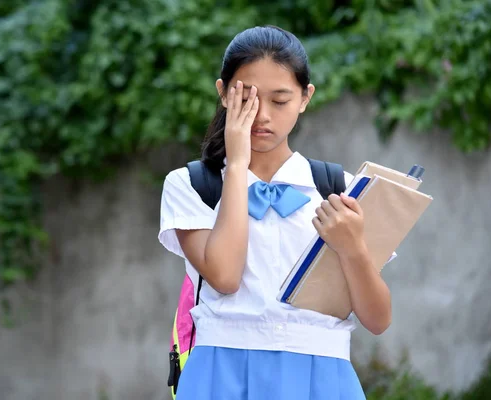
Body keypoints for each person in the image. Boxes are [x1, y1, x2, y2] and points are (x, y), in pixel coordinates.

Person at [158, 25, 393, 400]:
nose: (262, 115)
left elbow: (378, 320)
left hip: (323, 377)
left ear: (305, 98)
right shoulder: (192, 185)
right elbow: (225, 277)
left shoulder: (340, 189)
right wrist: (236, 166)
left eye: (280, 101)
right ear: (223, 94)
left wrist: (353, 248)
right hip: (221, 373)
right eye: (247, 98)